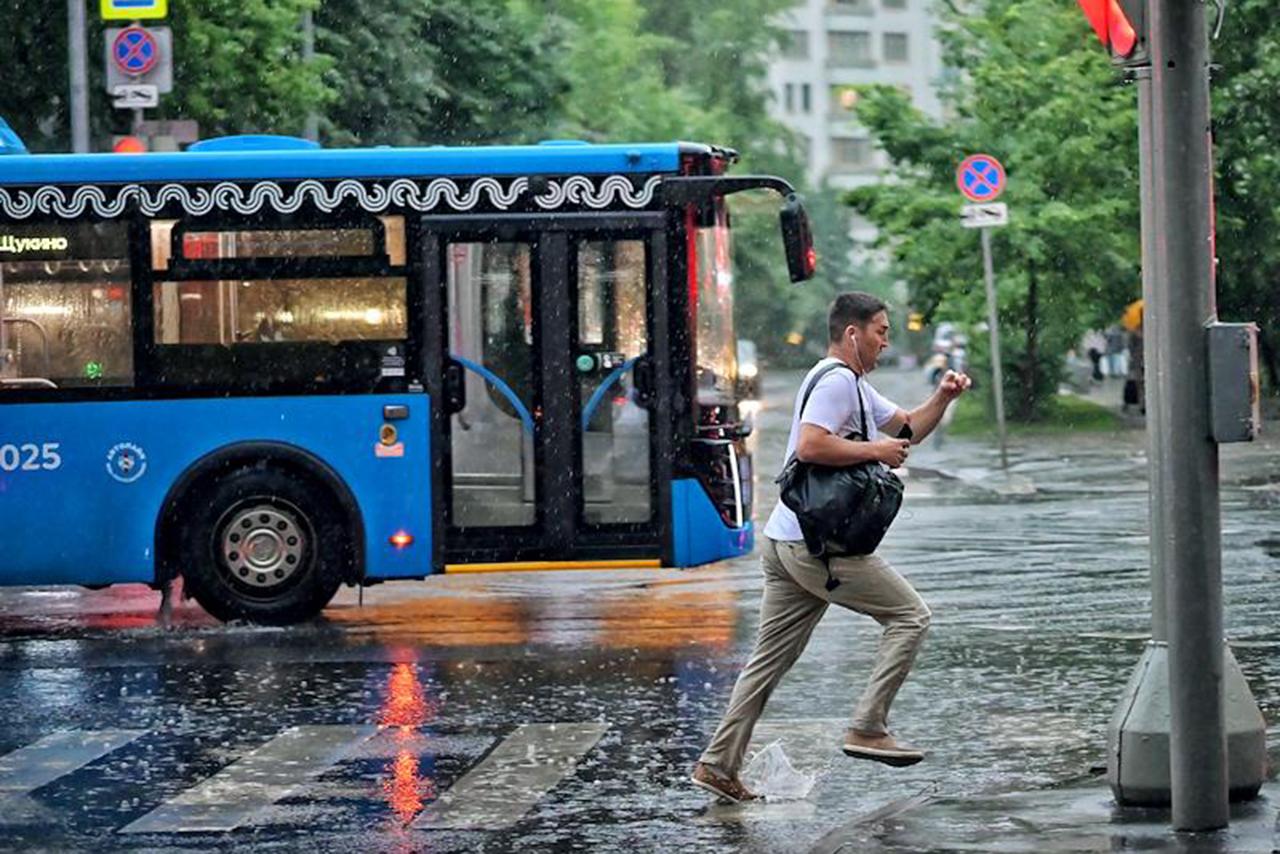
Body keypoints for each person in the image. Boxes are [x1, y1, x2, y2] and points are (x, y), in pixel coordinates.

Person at [690, 292, 972, 803]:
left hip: (788, 540)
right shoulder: (838, 382)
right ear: (852, 334)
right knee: (911, 617)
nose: (886, 340)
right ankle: (867, 726)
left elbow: (907, 429)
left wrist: (944, 398)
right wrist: (876, 452)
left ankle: (717, 764)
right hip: (819, 547)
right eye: (881, 331)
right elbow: (810, 445)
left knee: (767, 661)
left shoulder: (855, 386)